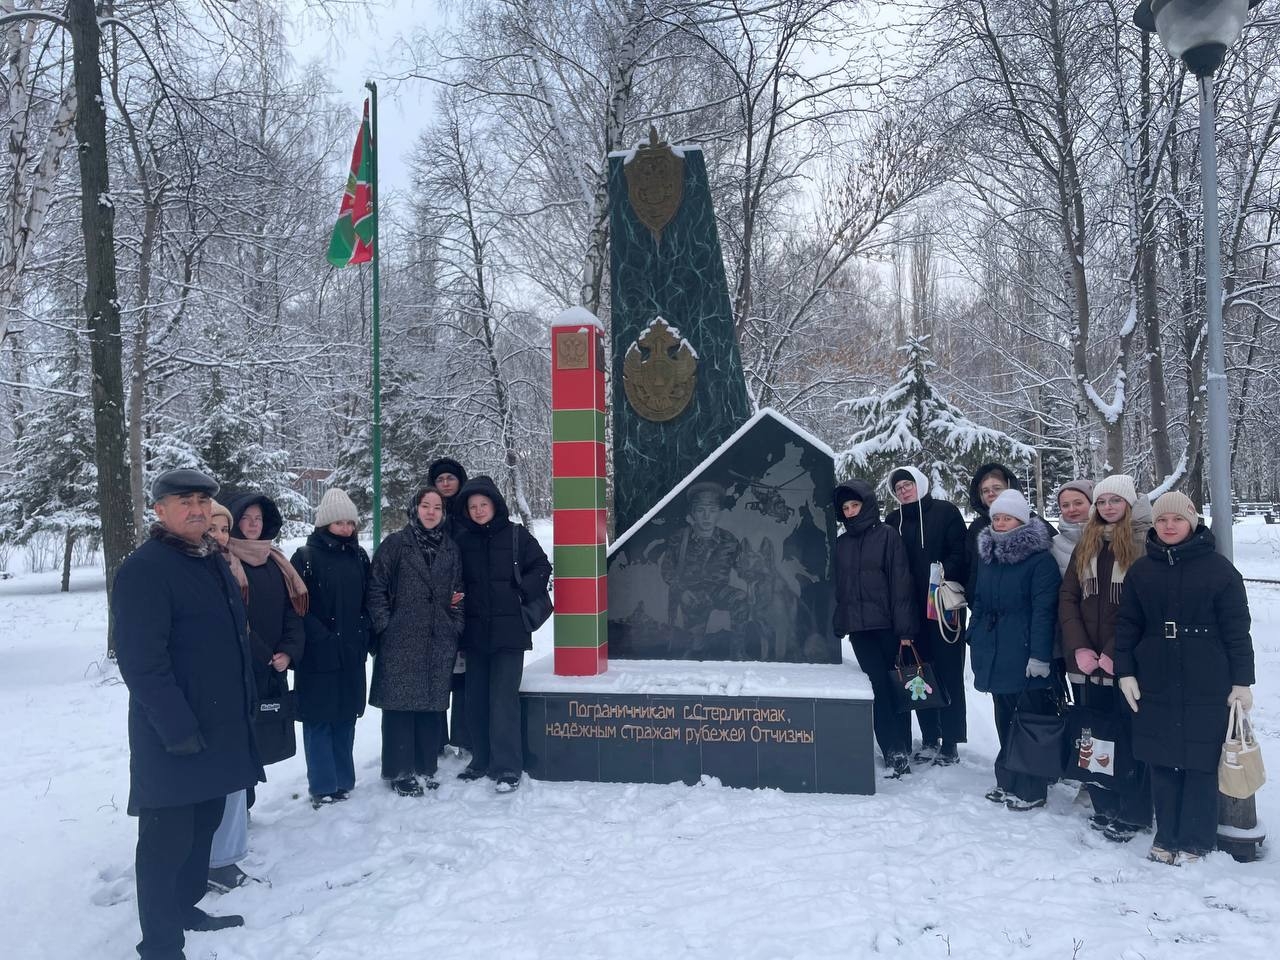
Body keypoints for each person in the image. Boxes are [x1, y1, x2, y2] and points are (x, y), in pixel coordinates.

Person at [113, 469, 261, 959]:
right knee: (166, 844)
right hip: (172, 735)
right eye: (184, 501)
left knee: (203, 828)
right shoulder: (145, 570)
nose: (196, 509)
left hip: (218, 729)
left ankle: (184, 908)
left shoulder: (211, 559)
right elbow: (142, 662)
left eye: (202, 500)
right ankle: (160, 944)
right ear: (160, 510)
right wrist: (177, 729)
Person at [1114, 491, 1256, 864]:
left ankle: (1196, 840)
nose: (1169, 525)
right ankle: (1167, 836)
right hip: (1155, 675)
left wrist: (1242, 681)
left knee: (1200, 761)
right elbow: (1127, 625)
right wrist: (1125, 670)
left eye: (1177, 519)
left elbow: (1237, 629)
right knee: (1161, 759)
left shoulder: (1219, 570)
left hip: (1207, 677)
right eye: (1162, 520)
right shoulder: (1142, 570)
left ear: (1191, 522)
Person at [1058, 475, 1153, 842]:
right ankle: (1105, 803)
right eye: (1102, 501)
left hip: (1126, 662)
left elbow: (1141, 606)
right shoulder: (1088, 541)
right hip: (1087, 661)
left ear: (1128, 503)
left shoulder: (1143, 543)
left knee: (1128, 736)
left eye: (1115, 500)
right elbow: (1069, 597)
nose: (1108, 507)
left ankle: (1134, 811)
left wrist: (1116, 652)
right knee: (1094, 733)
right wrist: (1079, 647)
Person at [454, 475, 552, 792]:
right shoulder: (461, 540)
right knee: (475, 700)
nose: (479, 510)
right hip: (475, 633)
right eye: (473, 506)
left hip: (510, 633)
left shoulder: (516, 535)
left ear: (495, 505)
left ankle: (508, 766)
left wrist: (521, 592)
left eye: (483, 504)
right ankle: (481, 759)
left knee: (503, 701)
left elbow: (542, 567)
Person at [367, 486, 464, 795]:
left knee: (429, 706)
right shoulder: (396, 544)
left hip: (438, 638)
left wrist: (454, 625)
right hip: (400, 638)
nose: (431, 512)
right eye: (425, 506)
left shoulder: (450, 548)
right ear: (415, 509)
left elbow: (459, 592)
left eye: (437, 507)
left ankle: (425, 766)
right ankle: (399, 771)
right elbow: (376, 587)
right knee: (399, 708)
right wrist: (386, 625)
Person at [968, 488, 1061, 811]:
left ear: (1021, 520)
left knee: (1029, 720)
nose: (1001, 523)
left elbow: (1044, 611)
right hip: (994, 649)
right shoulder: (989, 557)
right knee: (1005, 716)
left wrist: (1039, 655)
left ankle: (1032, 787)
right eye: (996, 518)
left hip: (1023, 650)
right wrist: (973, 633)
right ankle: (1007, 779)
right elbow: (979, 600)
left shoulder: (1040, 560)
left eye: (1007, 518)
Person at [290, 487, 371, 807]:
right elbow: (297, 606)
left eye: (350, 523)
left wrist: (363, 632)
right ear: (325, 523)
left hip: (351, 653)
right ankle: (323, 785)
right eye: (339, 523)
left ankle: (343, 781)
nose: (346, 529)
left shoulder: (359, 556)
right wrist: (322, 637)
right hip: (318, 655)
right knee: (319, 720)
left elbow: (369, 599)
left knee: (346, 717)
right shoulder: (305, 558)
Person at [882, 465, 969, 765]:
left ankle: (951, 740)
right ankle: (930, 736)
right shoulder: (893, 521)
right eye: (898, 488)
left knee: (948, 671)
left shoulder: (946, 512)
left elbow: (960, 551)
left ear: (920, 483)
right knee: (919, 672)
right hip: (909, 609)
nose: (904, 490)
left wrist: (941, 572)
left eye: (908, 484)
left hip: (942, 606)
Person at [832, 479, 918, 778]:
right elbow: (839, 588)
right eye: (845, 508)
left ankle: (903, 743)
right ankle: (892, 748)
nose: (850, 511)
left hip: (888, 626)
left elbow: (901, 583)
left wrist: (905, 630)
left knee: (897, 685)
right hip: (860, 630)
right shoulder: (841, 543)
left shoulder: (887, 536)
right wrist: (840, 622)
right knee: (877, 686)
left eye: (855, 505)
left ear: (866, 504)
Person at [227, 493, 307, 769]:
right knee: (238, 743)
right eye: (246, 518)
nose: (253, 524)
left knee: (265, 741)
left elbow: (292, 611)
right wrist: (262, 654)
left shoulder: (276, 563)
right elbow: (233, 618)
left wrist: (288, 651)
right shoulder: (224, 562)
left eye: (258, 518)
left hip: (274, 667)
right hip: (240, 666)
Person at [205, 500, 255, 893]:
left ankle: (226, 857)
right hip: (208, 690)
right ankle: (213, 861)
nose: (221, 537)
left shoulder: (229, 566)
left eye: (225, 529)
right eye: (213, 529)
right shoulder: (194, 571)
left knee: (234, 780)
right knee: (215, 781)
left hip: (235, 686)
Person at [659, 480, 746, 654]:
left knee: (741, 598)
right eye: (700, 510)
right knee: (694, 648)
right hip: (692, 594)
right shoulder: (679, 539)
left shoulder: (729, 540)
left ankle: (738, 652)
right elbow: (667, 570)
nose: (707, 516)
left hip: (719, 591)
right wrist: (682, 592)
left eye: (712, 511)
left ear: (719, 513)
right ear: (692, 513)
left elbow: (743, 569)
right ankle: (694, 651)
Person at [427, 456, 471, 753]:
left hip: (466, 602)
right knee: (438, 675)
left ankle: (463, 737)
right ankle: (437, 738)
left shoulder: (470, 512)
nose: (445, 483)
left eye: (450, 478)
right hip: (434, 606)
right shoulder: (428, 516)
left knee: (464, 677)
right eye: (440, 479)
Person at [964, 463, 1054, 595]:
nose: (991, 493)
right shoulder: (976, 528)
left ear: (1010, 488)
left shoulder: (1034, 524)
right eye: (985, 491)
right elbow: (969, 569)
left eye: (997, 488)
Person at [1051, 479, 1096, 576]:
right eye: (1065, 505)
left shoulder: (1112, 537)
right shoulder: (1053, 545)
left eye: (1078, 503)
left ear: (1092, 504)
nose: (1071, 509)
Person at [428, 457, 470, 521]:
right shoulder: (425, 511)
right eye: (440, 480)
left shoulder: (472, 508)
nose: (445, 484)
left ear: (460, 481)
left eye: (451, 479)